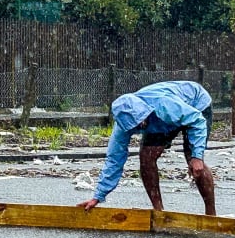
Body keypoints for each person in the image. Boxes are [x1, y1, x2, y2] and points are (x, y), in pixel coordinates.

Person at [77, 80, 216, 215]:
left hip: (195, 107)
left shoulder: (163, 104)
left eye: (141, 122)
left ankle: (211, 214)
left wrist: (197, 157)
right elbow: (114, 159)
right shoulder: (122, 126)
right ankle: (158, 212)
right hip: (161, 120)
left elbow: (197, 121)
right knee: (146, 157)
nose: (141, 126)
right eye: (136, 126)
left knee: (192, 159)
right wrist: (98, 196)